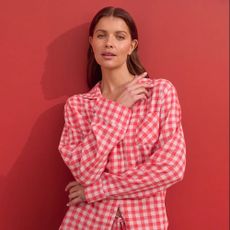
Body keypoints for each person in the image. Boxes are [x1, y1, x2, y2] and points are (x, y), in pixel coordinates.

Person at [58, 6, 186, 230]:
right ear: (92, 43)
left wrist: (96, 190)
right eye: (101, 35)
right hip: (86, 222)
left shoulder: (160, 93)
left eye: (119, 36)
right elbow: (85, 172)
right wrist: (116, 108)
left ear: (131, 46)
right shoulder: (77, 106)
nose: (109, 43)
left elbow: (171, 168)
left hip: (145, 222)